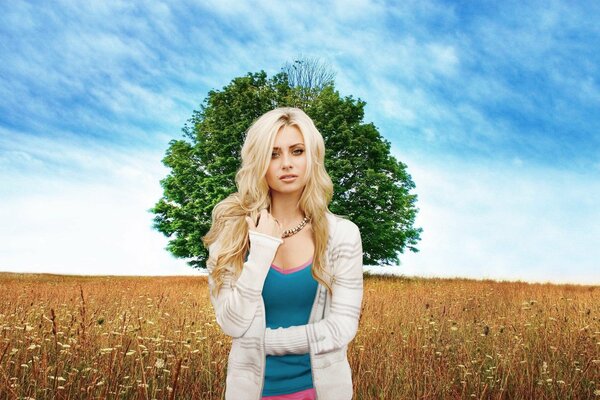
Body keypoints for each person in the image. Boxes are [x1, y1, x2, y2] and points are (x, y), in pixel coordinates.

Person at [202, 107, 364, 400]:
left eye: (297, 151)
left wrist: (264, 341)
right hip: (252, 393)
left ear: (312, 156)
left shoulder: (343, 234)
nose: (286, 163)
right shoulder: (230, 236)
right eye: (273, 154)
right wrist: (262, 249)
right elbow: (232, 323)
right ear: (258, 162)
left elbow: (342, 328)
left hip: (321, 392)